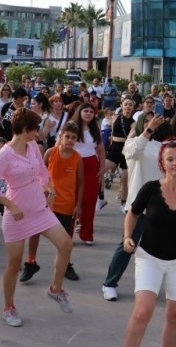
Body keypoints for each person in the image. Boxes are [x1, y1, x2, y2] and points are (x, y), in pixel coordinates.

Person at [0, 108, 74, 327]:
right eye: (35, 129)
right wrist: (10, 205)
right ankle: (9, 308)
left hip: (39, 208)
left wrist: (49, 189)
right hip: (17, 214)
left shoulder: (33, 146)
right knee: (14, 264)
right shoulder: (4, 154)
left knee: (66, 244)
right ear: (25, 130)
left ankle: (56, 289)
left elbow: (43, 172)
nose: (38, 134)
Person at [122, 139, 176, 347]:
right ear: (163, 163)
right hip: (149, 257)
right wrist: (127, 236)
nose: (175, 163)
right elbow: (132, 213)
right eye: (170, 159)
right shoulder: (150, 189)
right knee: (142, 311)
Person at [102, 114, 172, 301]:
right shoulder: (133, 143)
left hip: (160, 207)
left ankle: (149, 286)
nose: (153, 122)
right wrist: (148, 130)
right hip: (138, 206)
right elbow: (133, 153)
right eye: (148, 120)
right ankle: (109, 283)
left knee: (157, 249)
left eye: (156, 120)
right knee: (128, 245)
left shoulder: (164, 147)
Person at [41, 122, 84, 281]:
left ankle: (65, 265)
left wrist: (78, 205)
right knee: (33, 233)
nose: (70, 140)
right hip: (48, 205)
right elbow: (41, 176)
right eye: (67, 137)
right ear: (60, 137)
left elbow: (81, 183)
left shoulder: (78, 158)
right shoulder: (50, 153)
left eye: (73, 138)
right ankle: (30, 262)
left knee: (66, 241)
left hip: (67, 205)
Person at [70, 102, 105, 244]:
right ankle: (68, 234)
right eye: (86, 111)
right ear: (79, 112)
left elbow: (101, 149)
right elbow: (59, 146)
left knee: (90, 200)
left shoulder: (94, 130)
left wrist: (102, 167)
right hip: (72, 165)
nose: (89, 114)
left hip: (91, 166)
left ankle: (87, 234)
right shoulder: (71, 128)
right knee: (72, 200)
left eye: (91, 112)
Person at [106, 98, 135, 214]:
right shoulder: (115, 117)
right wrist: (110, 145)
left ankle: (124, 203)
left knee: (124, 178)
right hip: (114, 148)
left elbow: (131, 136)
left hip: (126, 150)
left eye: (130, 105)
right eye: (126, 104)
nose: (128, 106)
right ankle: (100, 197)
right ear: (122, 106)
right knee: (101, 169)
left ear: (133, 107)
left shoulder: (134, 122)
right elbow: (112, 133)